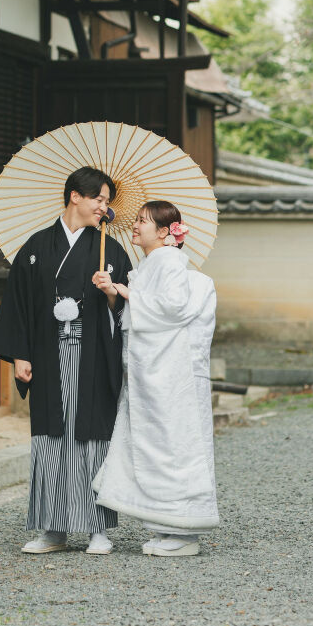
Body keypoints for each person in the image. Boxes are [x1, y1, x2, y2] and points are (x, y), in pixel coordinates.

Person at [0, 166, 132, 555]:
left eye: (106, 202)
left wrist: (113, 293)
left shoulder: (111, 251)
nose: (104, 207)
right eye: (98, 199)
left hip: (93, 354)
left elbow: (128, 308)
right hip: (49, 353)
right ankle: (52, 529)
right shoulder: (35, 248)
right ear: (75, 197)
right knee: (51, 436)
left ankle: (99, 528)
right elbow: (18, 305)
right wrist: (20, 353)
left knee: (92, 435)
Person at [91, 200, 219, 556]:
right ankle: (167, 527)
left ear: (165, 232)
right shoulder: (154, 262)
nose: (135, 226)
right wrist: (113, 291)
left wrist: (126, 291)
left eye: (142, 221)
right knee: (157, 442)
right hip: (153, 368)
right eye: (136, 220)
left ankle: (182, 531)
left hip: (167, 370)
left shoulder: (167, 261)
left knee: (170, 443)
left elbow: (174, 306)